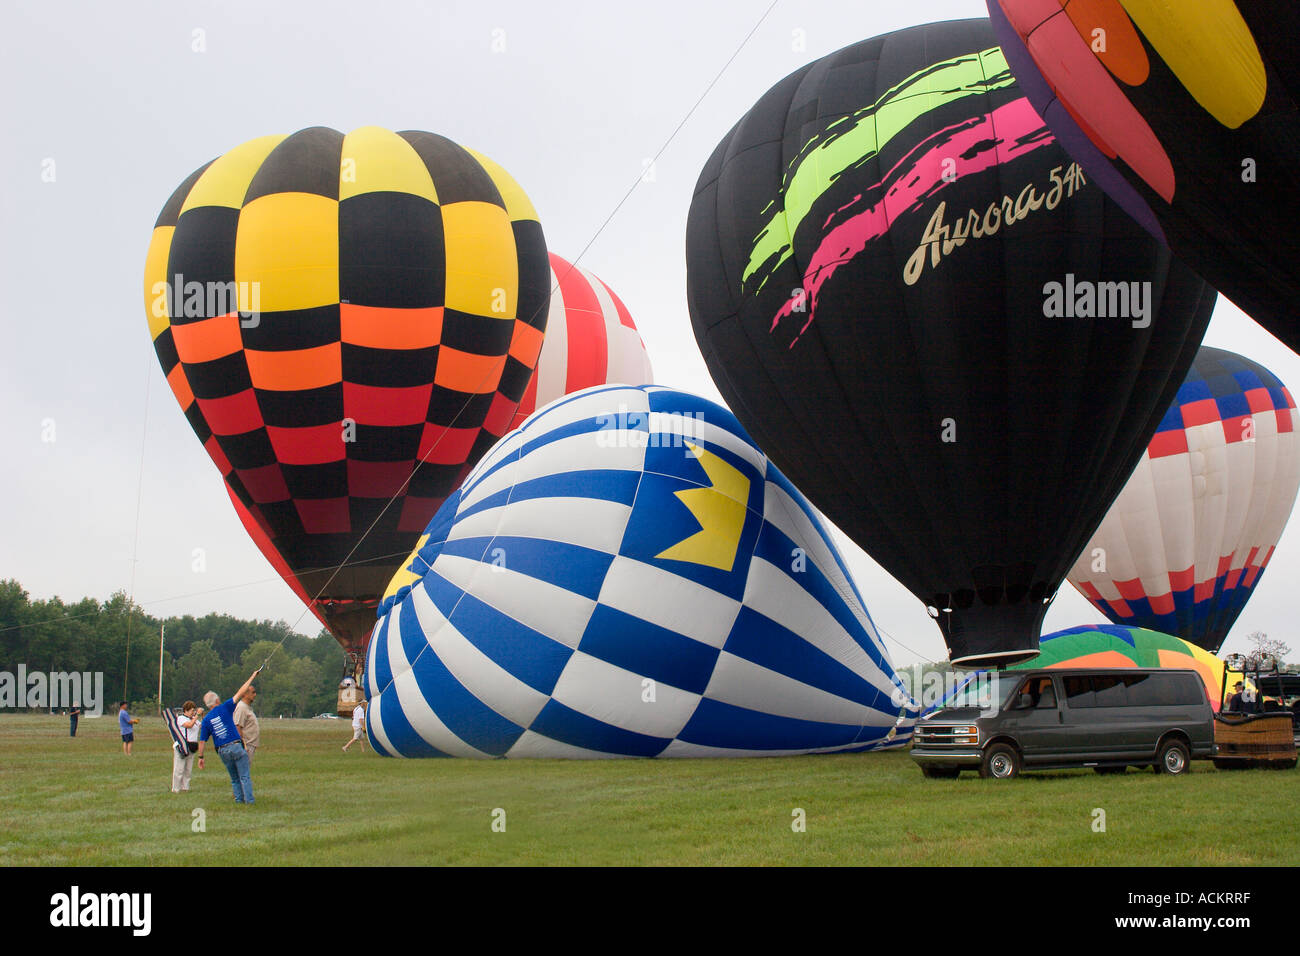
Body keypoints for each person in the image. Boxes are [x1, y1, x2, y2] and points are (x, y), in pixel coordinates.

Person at [196, 669, 261, 804]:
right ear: (217, 700)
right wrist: (252, 676)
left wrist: (201, 757)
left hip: (222, 751)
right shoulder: (225, 707)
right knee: (244, 776)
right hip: (235, 746)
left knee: (234, 779)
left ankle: (239, 800)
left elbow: (202, 741)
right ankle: (249, 801)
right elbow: (241, 691)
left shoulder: (206, 720)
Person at [172, 700, 202, 793]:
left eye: (194, 711)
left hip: (192, 747)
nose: (193, 713)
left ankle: (185, 788)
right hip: (182, 746)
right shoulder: (181, 718)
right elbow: (189, 725)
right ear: (186, 710)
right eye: (192, 711)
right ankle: (176, 789)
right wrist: (197, 716)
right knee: (179, 769)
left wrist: (201, 716)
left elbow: (202, 726)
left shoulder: (195, 720)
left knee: (188, 770)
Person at [233, 684, 260, 762]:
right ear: (244, 694)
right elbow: (237, 727)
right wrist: (243, 745)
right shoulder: (241, 707)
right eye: (253, 692)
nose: (255, 695)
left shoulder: (247, 707)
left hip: (250, 745)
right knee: (243, 772)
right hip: (246, 746)